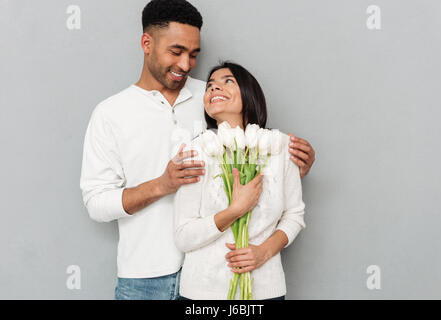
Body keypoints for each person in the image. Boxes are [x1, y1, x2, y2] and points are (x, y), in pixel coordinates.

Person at [80, 0, 315, 300]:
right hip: (145, 278)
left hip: (217, 277)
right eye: (176, 52)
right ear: (147, 43)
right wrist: (161, 185)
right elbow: (96, 202)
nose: (186, 64)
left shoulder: (214, 98)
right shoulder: (111, 113)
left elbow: (262, 157)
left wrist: (296, 163)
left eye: (193, 55)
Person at [174, 62, 305, 300]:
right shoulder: (197, 151)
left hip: (265, 292)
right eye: (210, 86)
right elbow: (183, 236)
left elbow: (294, 215)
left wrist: (264, 252)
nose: (214, 89)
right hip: (203, 294)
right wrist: (235, 210)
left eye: (227, 81)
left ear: (248, 92)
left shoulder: (281, 147)